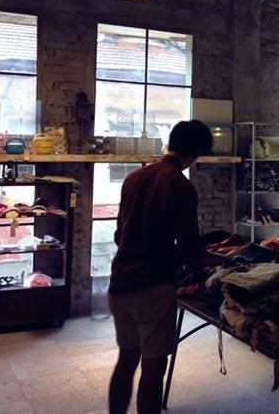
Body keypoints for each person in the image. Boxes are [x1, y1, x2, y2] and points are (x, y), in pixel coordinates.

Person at [107, 120, 213, 414]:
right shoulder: (180, 185)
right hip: (153, 288)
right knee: (153, 371)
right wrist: (224, 259)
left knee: (126, 360)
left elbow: (119, 235)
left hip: (120, 283)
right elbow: (192, 251)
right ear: (197, 151)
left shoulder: (134, 177)